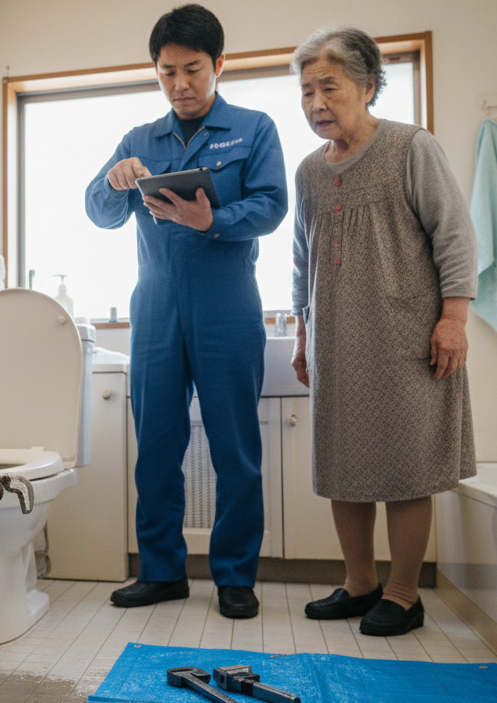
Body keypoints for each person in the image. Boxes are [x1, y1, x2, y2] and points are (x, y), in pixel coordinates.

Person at [85, 4, 288, 619]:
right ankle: (163, 571)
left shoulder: (254, 127)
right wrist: (115, 181)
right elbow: (98, 212)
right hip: (154, 307)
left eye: (193, 70)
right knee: (157, 444)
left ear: (219, 65)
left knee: (234, 445)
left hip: (227, 302)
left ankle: (234, 577)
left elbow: (274, 206)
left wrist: (215, 220)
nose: (180, 84)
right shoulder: (138, 140)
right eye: (167, 71)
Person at [289, 25, 477, 637]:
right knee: (343, 463)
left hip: (404, 339)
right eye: (307, 90)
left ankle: (403, 594)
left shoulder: (410, 147)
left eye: (330, 88)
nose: (317, 103)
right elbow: (301, 257)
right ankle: (359, 583)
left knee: (403, 465)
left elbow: (455, 235)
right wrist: (301, 334)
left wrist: (454, 319)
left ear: (368, 85)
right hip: (335, 342)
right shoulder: (309, 172)